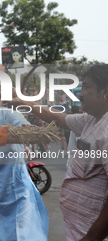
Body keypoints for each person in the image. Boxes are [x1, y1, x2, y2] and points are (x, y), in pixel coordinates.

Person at [10, 64, 108, 241]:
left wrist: (92, 237)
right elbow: (56, 117)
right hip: (80, 228)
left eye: (86, 87)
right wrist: (22, 102)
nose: (81, 94)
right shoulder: (90, 120)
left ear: (105, 92)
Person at [0, 78, 48, 241]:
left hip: (15, 185)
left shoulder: (11, 115)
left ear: (0, 96)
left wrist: (26, 130)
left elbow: (22, 126)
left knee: (21, 231)